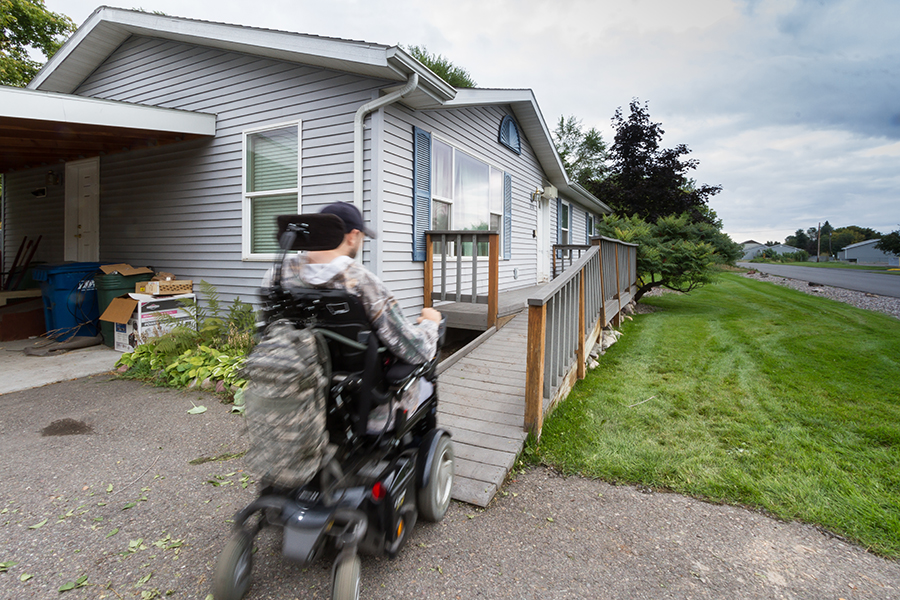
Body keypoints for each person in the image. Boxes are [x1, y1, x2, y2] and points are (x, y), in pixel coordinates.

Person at [269, 202, 442, 431]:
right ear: (353, 236)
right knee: (426, 382)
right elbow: (416, 349)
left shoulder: (278, 276)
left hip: (302, 401)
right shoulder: (360, 281)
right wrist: (431, 323)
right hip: (364, 411)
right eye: (361, 238)